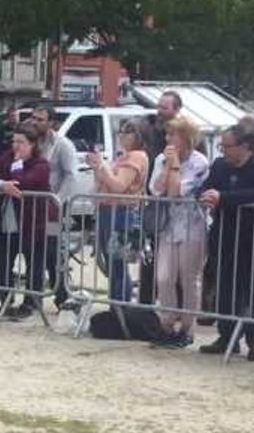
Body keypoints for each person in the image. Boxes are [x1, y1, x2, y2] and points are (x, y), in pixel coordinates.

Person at [149, 117, 209, 349]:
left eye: (173, 135)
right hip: (167, 226)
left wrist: (174, 165)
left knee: (189, 279)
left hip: (192, 226)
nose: (168, 139)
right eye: (167, 135)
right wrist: (167, 165)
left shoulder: (199, 162)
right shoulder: (160, 159)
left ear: (186, 138)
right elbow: (155, 189)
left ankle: (187, 328)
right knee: (164, 277)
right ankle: (167, 323)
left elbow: (176, 191)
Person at [198, 123, 254, 357]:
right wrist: (207, 196)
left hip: (250, 236)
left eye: (227, 146)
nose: (224, 151)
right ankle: (226, 337)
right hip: (223, 234)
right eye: (221, 146)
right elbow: (204, 188)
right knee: (224, 287)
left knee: (249, 290)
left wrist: (224, 198)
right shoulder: (220, 165)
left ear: (246, 146)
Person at [0, 123, 52, 321]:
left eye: (21, 142)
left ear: (32, 144)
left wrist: (15, 170)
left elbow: (23, 183)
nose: (16, 146)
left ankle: (31, 303)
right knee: (2, 261)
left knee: (34, 264)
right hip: (9, 221)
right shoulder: (7, 157)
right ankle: (6, 301)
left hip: (34, 222)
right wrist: (0, 185)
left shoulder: (42, 164)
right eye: (14, 141)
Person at [87, 119, 150, 304]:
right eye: (120, 132)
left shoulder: (137, 156)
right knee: (111, 261)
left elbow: (118, 186)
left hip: (122, 211)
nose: (121, 136)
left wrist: (101, 166)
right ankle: (116, 304)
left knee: (117, 261)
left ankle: (121, 304)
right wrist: (97, 167)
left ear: (138, 135)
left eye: (127, 132)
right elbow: (104, 182)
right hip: (108, 209)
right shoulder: (123, 156)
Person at [32, 104, 75, 309]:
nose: (36, 122)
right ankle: (33, 298)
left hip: (54, 206)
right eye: (34, 118)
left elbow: (70, 175)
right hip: (35, 206)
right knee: (35, 250)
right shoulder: (34, 143)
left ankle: (62, 296)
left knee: (53, 250)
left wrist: (58, 200)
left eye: (40, 119)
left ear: (51, 122)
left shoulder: (62, 144)